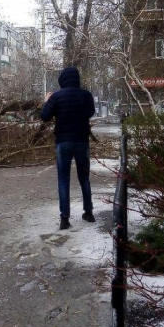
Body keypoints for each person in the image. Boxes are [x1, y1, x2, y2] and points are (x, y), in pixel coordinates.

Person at [40, 66, 96, 230]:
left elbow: (44, 116)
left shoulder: (57, 97)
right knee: (84, 178)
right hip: (81, 141)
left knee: (63, 180)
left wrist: (47, 101)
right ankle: (88, 212)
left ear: (62, 80)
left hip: (63, 142)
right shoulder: (86, 95)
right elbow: (90, 113)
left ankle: (64, 219)